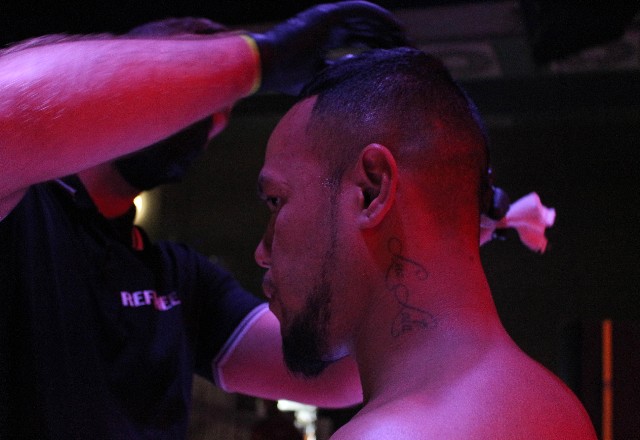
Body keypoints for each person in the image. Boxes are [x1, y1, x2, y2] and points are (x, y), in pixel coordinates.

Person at [0, 4, 411, 438]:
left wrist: (415, 217)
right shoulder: (22, 212)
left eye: (223, 109)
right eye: (203, 99)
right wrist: (261, 59)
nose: (215, 123)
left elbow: (342, 373)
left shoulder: (178, 279)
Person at [254, 47, 598, 439]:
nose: (261, 253)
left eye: (276, 201)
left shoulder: (385, 435)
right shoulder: (560, 408)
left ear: (371, 190)